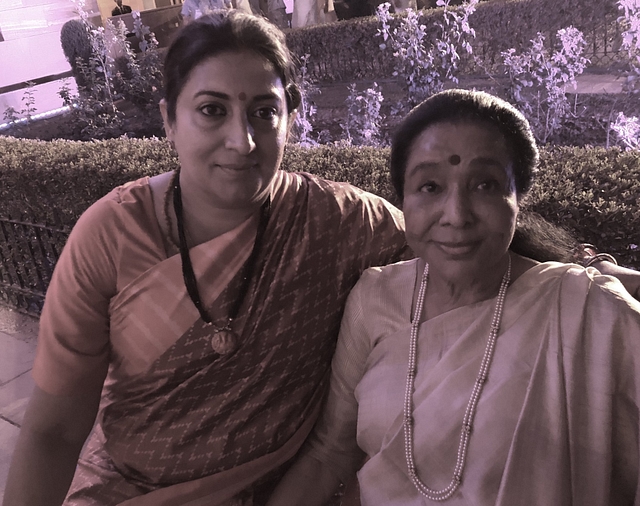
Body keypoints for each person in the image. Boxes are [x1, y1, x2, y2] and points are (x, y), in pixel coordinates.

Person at [1, 11, 408, 506]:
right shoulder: (111, 236)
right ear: (169, 119)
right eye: (212, 110)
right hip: (129, 490)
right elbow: (54, 432)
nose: (243, 141)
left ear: (291, 116)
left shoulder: (338, 221)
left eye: (263, 111)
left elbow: (451, 242)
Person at [267, 89, 640, 505]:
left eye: (485, 185)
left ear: (519, 198)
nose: (457, 214)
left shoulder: (586, 309)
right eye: (430, 186)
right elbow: (328, 454)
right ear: (402, 200)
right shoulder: (374, 300)